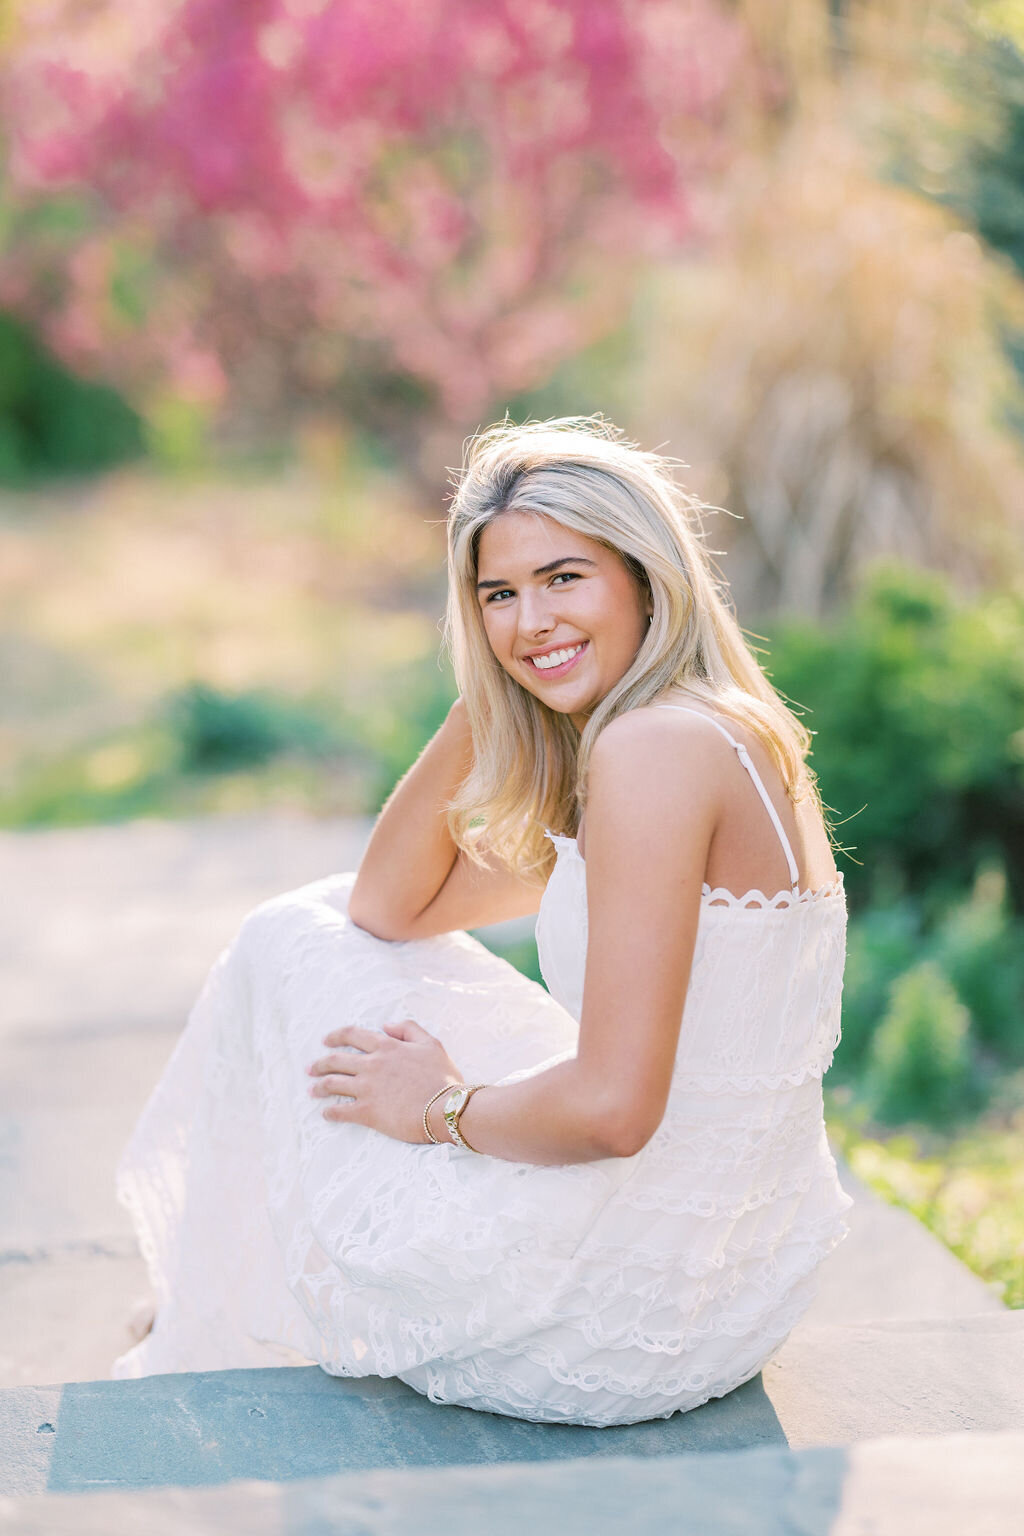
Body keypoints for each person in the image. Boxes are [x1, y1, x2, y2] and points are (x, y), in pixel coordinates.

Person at [112, 416, 852, 1426]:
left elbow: (611, 1112)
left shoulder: (650, 754)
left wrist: (435, 1109)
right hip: (731, 1285)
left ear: (645, 574)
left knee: (288, 936)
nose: (529, 619)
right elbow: (388, 905)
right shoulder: (724, 730)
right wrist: (498, 685)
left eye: (563, 579)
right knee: (319, 920)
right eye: (496, 596)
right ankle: (211, 1297)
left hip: (609, 1314)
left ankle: (207, 1308)